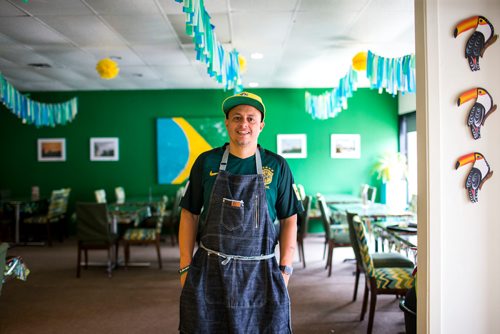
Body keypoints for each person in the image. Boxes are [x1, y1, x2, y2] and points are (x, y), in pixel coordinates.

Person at [178, 91, 303, 333]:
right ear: (227, 123)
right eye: (236, 118)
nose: (243, 124)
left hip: (262, 273)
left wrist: (285, 269)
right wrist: (185, 267)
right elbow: (189, 214)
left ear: (261, 125)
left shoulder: (277, 165)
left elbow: (290, 219)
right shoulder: (206, 162)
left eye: (250, 118)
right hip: (210, 270)